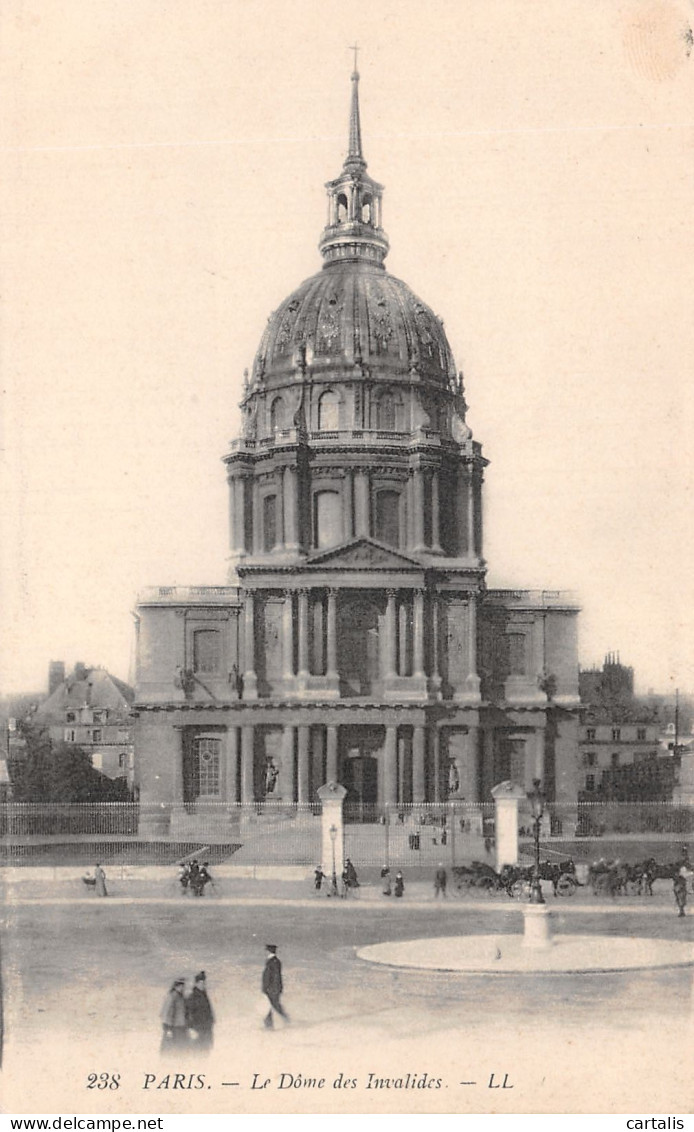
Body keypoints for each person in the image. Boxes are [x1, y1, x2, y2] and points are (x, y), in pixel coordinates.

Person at [262, 944, 289, 1029]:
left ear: (268, 951)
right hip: (272, 988)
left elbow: (275, 976)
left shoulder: (273, 961)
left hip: (272, 989)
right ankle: (270, 1024)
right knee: (271, 1006)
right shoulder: (274, 961)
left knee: (273, 1006)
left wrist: (271, 988)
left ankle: (285, 1021)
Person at [186, 971, 215, 1049]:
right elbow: (188, 1013)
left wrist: (211, 1021)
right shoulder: (192, 997)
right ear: (196, 984)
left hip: (207, 1030)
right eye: (201, 983)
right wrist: (191, 1028)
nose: (203, 985)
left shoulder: (204, 996)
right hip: (197, 1030)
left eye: (204, 983)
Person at [160, 978, 189, 1051]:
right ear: (176, 986)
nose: (182, 988)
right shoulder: (172, 996)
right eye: (181, 986)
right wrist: (168, 1029)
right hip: (173, 1029)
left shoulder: (181, 997)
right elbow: (168, 1014)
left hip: (181, 1028)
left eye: (183, 986)